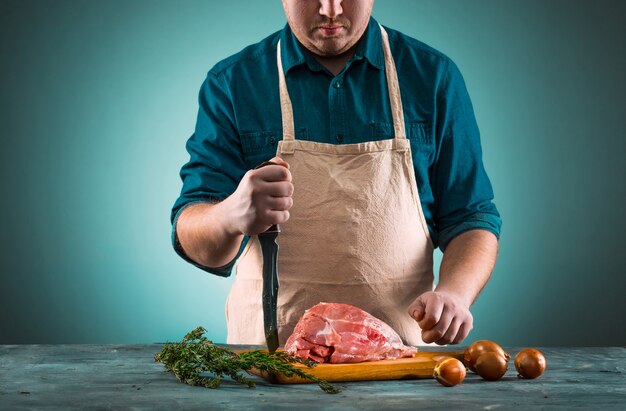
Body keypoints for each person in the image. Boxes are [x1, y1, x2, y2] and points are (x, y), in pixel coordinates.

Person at [171, 0, 501, 346]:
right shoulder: (233, 83)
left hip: (400, 363)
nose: (330, 9)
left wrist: (455, 293)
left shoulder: (433, 78)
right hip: (270, 363)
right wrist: (228, 216)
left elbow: (471, 217)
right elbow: (196, 238)